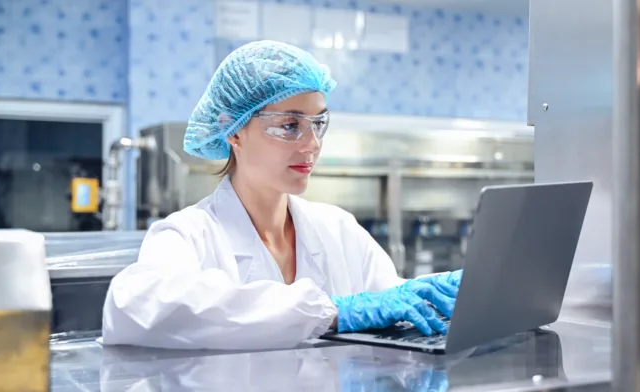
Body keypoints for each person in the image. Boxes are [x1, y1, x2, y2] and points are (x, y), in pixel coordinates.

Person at [102, 40, 463, 351]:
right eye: (290, 126)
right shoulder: (187, 234)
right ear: (233, 130)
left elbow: (386, 302)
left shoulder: (338, 229)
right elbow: (139, 307)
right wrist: (333, 312)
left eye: (318, 124)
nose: (312, 144)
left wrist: (433, 295)